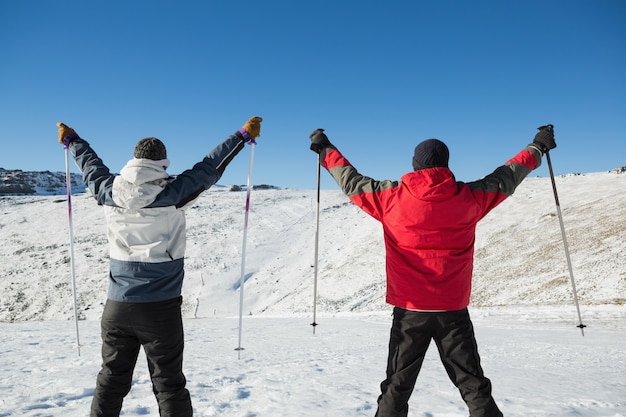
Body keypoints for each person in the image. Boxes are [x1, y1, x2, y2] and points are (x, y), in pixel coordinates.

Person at [308, 125, 556, 417]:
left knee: (397, 386)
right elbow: (508, 176)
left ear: (415, 164)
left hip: (410, 311)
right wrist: (537, 148)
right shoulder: (469, 197)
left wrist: (326, 150)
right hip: (453, 310)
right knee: (472, 384)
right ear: (446, 164)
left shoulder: (390, 198)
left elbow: (351, 181)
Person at [57, 116, 263, 417]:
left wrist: (72, 139)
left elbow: (91, 165)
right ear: (163, 163)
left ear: (134, 160)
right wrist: (242, 136)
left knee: (111, 381)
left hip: (116, 306)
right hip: (160, 310)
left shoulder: (108, 191)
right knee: (169, 384)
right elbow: (210, 167)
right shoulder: (173, 194)